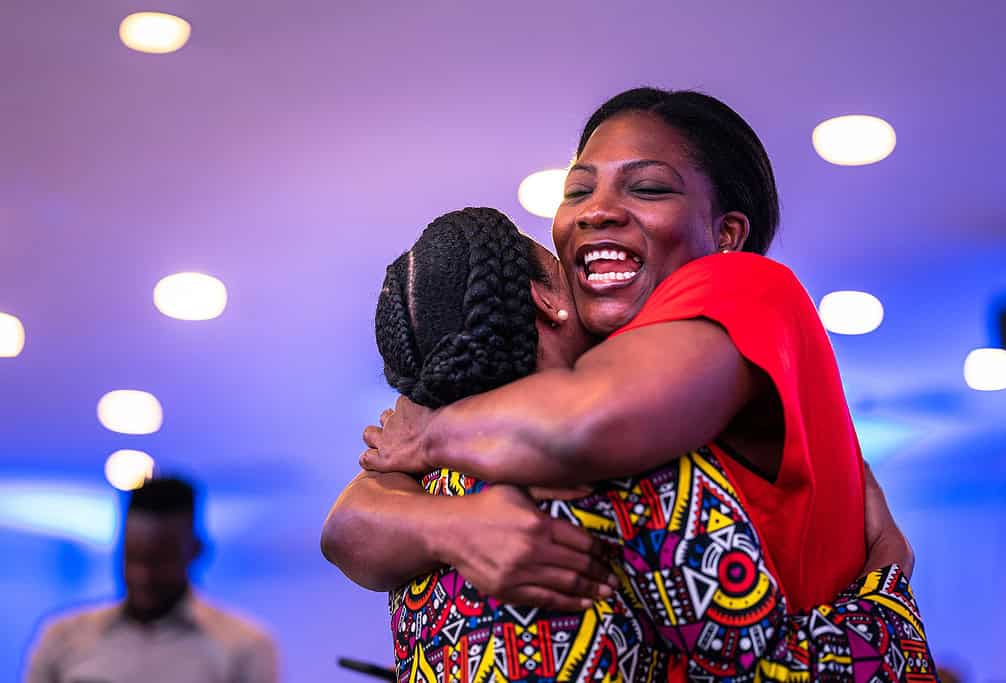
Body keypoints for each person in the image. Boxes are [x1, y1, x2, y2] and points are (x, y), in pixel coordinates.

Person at [326, 207, 935, 682]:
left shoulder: (428, 484)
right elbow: (776, 667)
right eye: (567, 272)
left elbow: (342, 533)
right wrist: (888, 576)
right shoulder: (619, 463)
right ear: (547, 300)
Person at [25, 477, 278, 683]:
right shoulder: (61, 637)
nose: (142, 575)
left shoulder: (245, 647)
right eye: (132, 557)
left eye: (159, 560)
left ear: (196, 550)